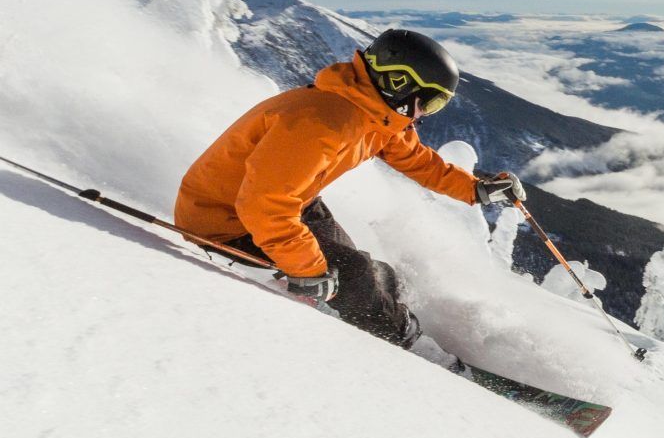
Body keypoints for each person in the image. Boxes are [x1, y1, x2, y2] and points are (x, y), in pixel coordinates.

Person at [175, 29, 525, 346]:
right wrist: (307, 270)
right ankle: (407, 345)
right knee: (352, 274)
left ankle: (391, 307)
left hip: (292, 204)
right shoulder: (321, 121)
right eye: (429, 102)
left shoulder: (374, 114)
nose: (425, 114)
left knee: (365, 269)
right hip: (225, 221)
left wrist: (476, 188)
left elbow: (417, 159)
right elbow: (261, 204)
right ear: (398, 82)